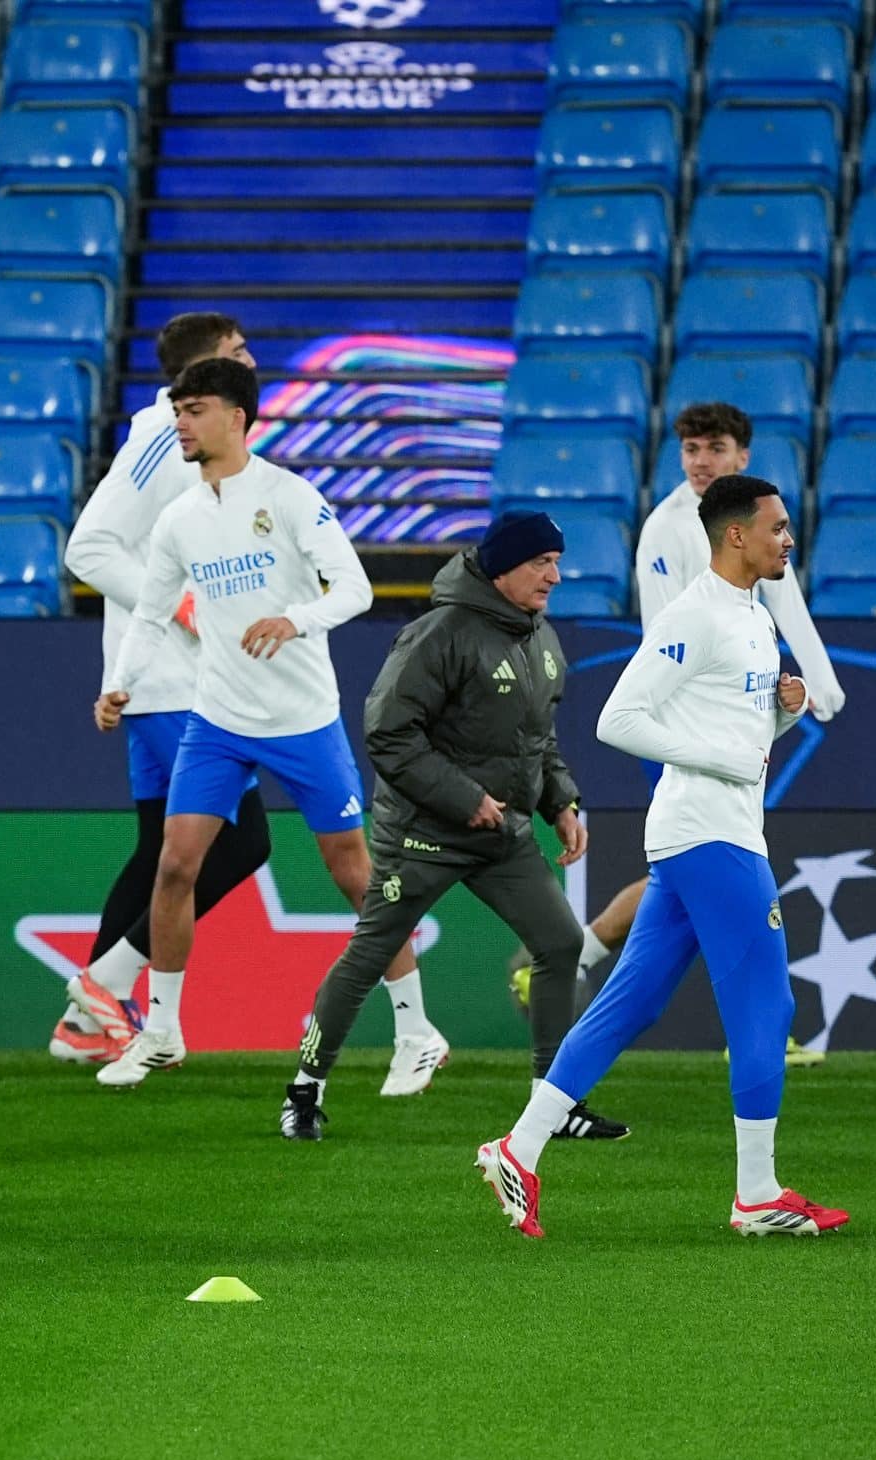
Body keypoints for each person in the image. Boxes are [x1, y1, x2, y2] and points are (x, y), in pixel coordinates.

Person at [479, 476, 846, 1239]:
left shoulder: (754, 616)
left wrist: (779, 716)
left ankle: (519, 1146)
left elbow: (744, 743)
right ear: (735, 535)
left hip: (704, 831)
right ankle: (756, 1194)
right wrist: (716, 753)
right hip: (711, 834)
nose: (788, 540)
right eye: (777, 528)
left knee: (630, 1002)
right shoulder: (696, 614)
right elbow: (619, 718)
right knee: (766, 1006)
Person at [93, 357, 444, 1088]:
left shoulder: (289, 496)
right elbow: (151, 612)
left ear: (236, 419)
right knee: (175, 864)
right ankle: (160, 1030)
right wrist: (118, 686)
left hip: (302, 718)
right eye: (178, 410)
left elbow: (353, 588)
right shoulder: (180, 517)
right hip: (217, 719)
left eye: (194, 411)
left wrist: (294, 619)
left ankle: (416, 1030)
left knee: (354, 874)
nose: (181, 423)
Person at [281, 511, 619, 1141]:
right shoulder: (437, 633)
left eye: (556, 561)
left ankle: (554, 1104)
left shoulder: (541, 639)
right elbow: (388, 732)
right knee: (372, 952)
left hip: (501, 832)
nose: (556, 575)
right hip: (422, 834)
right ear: (501, 568)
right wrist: (463, 797)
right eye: (541, 562)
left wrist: (561, 803)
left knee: (560, 944)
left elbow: (537, 741)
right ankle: (305, 1090)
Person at [538, 403, 843, 1078]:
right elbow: (666, 639)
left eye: (715, 448)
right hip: (684, 725)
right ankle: (753, 1026)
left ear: (742, 456)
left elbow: (781, 605)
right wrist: (707, 732)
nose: (700, 460)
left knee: (680, 880)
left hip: (737, 717)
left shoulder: (758, 525)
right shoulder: (668, 528)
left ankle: (583, 968)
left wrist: (816, 684)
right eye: (691, 449)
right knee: (700, 862)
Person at [60, 311, 274, 1063]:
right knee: (243, 839)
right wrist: (180, 608)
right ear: (200, 373)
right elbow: (88, 544)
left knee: (161, 848)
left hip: (165, 681)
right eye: (237, 353)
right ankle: (106, 982)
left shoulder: (202, 444)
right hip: (168, 683)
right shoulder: (162, 437)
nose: (252, 361)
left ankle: (87, 1023)